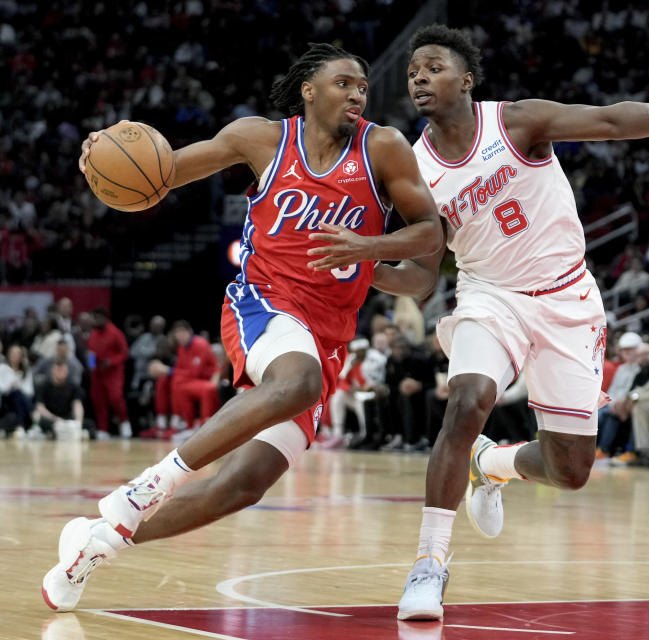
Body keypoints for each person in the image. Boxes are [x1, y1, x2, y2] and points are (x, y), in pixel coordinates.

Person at [41, 42, 442, 612]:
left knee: (241, 486)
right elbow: (162, 173)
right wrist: (101, 157)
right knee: (297, 380)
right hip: (263, 304)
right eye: (343, 83)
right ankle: (145, 488)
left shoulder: (383, 147)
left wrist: (370, 252)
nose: (357, 93)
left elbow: (428, 243)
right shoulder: (261, 139)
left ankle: (96, 544)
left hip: (326, 336)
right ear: (308, 89)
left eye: (362, 86)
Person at [393, 25, 649, 620]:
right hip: (491, 296)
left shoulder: (516, 122)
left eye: (433, 67)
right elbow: (423, 276)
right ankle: (429, 566)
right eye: (412, 73)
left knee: (571, 469)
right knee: (468, 400)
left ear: (467, 79)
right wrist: (361, 269)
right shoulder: (413, 168)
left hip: (568, 300)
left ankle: (492, 465)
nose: (420, 79)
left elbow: (610, 120)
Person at [148, 320, 221, 439]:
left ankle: (188, 424)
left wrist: (168, 370)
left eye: (182, 333)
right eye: (177, 334)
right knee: (167, 381)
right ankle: (177, 423)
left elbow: (195, 372)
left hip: (206, 380)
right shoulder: (182, 348)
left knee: (178, 384)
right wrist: (160, 370)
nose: (179, 336)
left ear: (189, 332)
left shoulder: (200, 344)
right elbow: (180, 370)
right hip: (192, 381)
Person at [85, 307, 131, 439]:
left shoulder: (115, 333)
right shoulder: (93, 334)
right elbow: (90, 352)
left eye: (98, 318)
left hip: (113, 373)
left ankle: (124, 422)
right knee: (98, 401)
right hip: (97, 374)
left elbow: (124, 353)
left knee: (115, 398)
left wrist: (111, 361)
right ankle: (103, 429)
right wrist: (91, 366)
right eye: (94, 318)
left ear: (105, 318)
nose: (95, 320)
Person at [33, 360, 92, 439]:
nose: (60, 372)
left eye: (62, 370)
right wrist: (55, 419)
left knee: (89, 424)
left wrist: (78, 424)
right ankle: (53, 433)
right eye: (58, 369)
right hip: (52, 419)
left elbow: (77, 404)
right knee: (40, 420)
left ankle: (73, 433)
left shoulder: (73, 387)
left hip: (68, 420)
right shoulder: (43, 386)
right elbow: (40, 407)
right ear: (52, 370)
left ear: (67, 371)